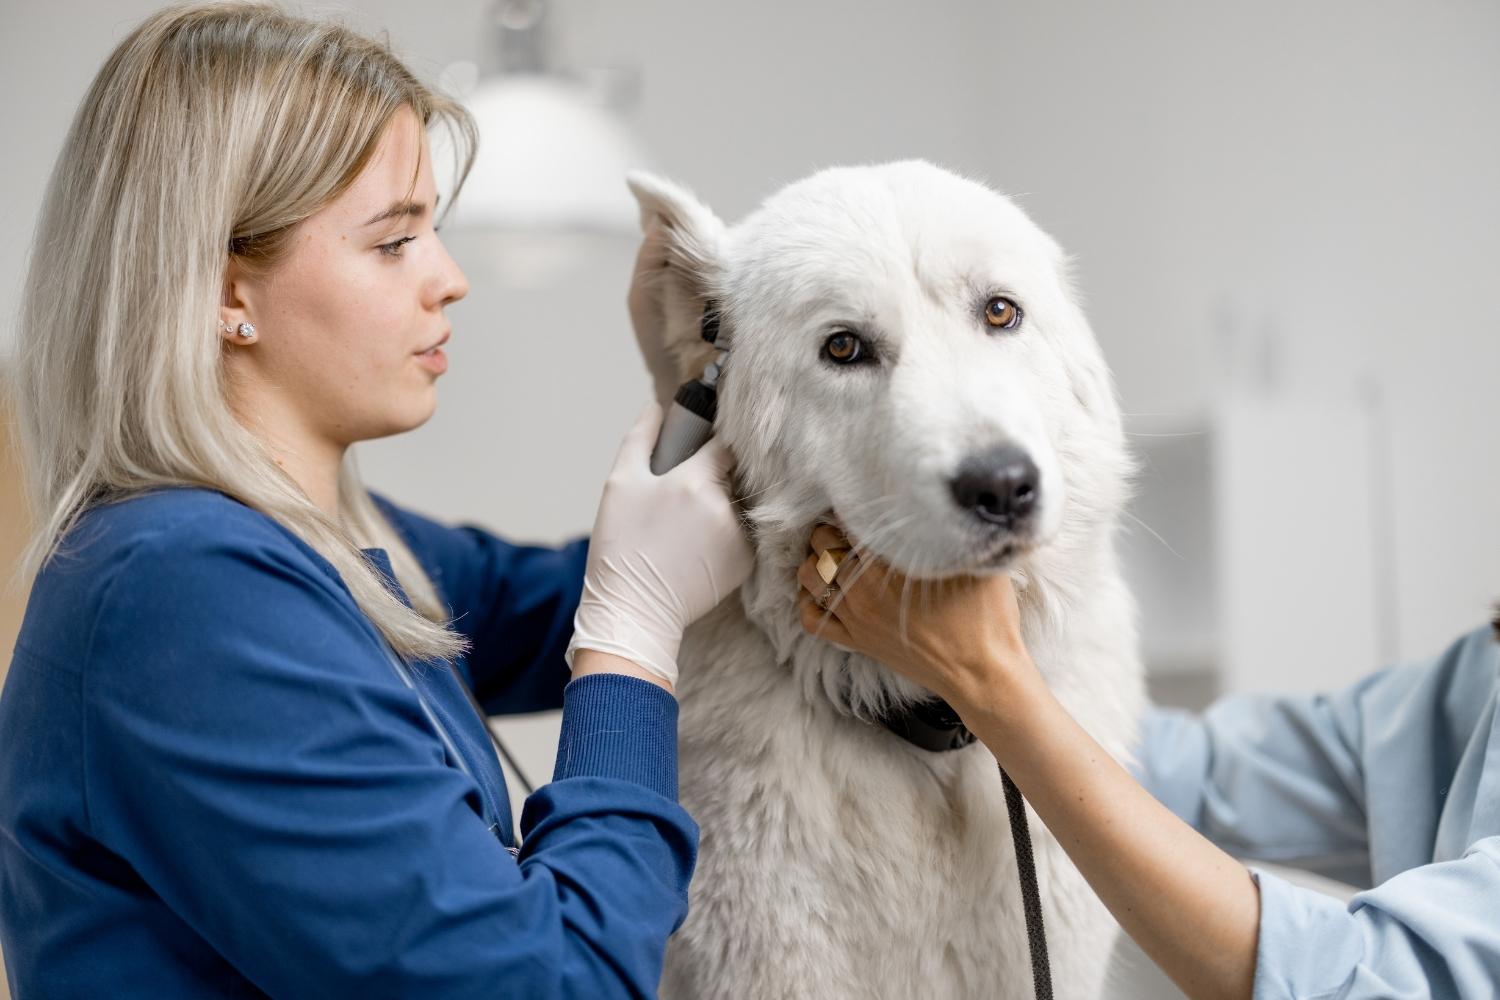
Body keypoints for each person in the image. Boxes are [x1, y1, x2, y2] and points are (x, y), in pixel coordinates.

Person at [0, 3, 753, 997]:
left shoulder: (312, 542)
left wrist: (694, 398)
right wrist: (633, 625)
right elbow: (553, 987)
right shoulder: (184, 593)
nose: (450, 279)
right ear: (229, 291)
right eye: (395, 241)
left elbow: (565, 596)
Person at [796, 523, 1500, 999]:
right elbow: (1195, 770)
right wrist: (982, 676)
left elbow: (1359, 979)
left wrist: (990, 680)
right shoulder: (1483, 676)